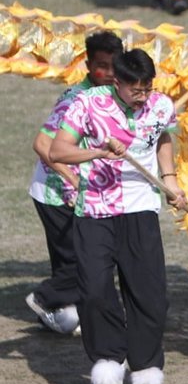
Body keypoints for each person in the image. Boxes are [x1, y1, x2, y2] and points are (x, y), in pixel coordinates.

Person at [48, 49, 185, 384]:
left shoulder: (160, 105)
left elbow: (162, 138)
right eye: (135, 89)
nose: (143, 95)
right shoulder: (86, 104)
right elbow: (57, 151)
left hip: (140, 209)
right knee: (94, 288)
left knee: (150, 293)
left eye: (147, 87)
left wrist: (170, 178)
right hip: (95, 209)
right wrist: (96, 152)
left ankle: (145, 367)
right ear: (117, 82)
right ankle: (108, 359)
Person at [26, 31, 125, 336]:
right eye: (101, 66)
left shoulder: (111, 95)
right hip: (55, 195)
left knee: (72, 261)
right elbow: (43, 144)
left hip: (80, 195)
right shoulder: (76, 98)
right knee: (83, 258)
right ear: (87, 65)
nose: (108, 73)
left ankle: (61, 309)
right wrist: (72, 180)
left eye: (114, 66)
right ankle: (45, 299)